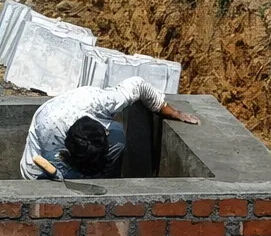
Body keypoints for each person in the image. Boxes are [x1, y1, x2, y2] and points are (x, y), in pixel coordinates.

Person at [20, 76, 200, 180]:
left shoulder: (102, 102)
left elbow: (138, 85)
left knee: (119, 139)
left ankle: (104, 178)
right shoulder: (51, 140)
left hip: (75, 112)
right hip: (41, 171)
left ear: (102, 128)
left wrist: (173, 113)